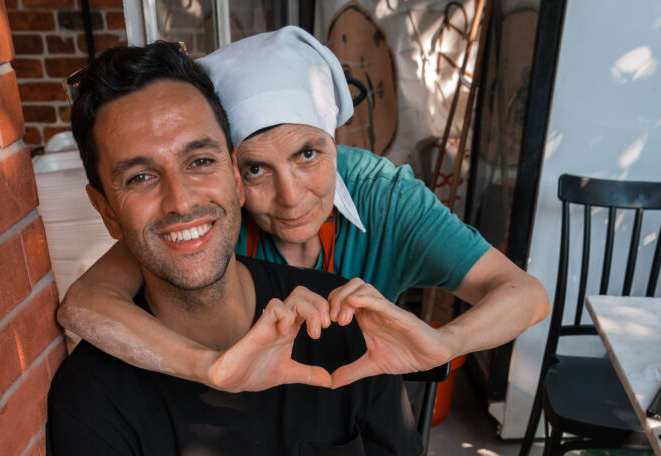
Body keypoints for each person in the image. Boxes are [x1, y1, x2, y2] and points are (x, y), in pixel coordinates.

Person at [46, 41, 488, 456]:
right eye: (140, 176)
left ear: (232, 173)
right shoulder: (91, 396)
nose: (180, 201)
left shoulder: (334, 317)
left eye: (199, 160)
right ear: (104, 209)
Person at [57, 27, 549, 391]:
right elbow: (85, 305)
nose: (291, 197)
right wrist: (208, 368)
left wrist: (447, 343)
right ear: (228, 170)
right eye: (255, 169)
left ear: (336, 142)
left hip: (362, 416)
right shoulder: (208, 215)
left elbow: (523, 293)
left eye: (308, 154)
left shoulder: (385, 194)